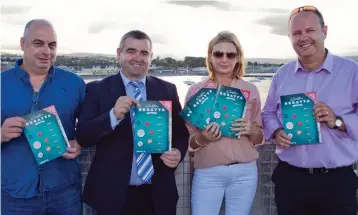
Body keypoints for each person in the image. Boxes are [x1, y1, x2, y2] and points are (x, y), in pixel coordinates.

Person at [76, 30, 189, 215]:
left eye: (144, 53)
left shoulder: (167, 90)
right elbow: (82, 135)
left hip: (158, 195)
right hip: (113, 197)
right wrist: (112, 116)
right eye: (131, 51)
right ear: (119, 53)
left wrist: (177, 151)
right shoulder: (98, 89)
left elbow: (180, 132)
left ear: (151, 57)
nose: (138, 57)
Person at [262, 5, 358, 215]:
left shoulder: (352, 72)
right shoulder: (282, 75)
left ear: (324, 31)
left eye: (310, 30)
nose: (303, 38)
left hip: (336, 183)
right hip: (290, 181)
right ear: (290, 37)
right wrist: (277, 132)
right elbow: (268, 113)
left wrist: (338, 121)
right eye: (296, 33)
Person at [1, 19, 85, 215]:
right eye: (38, 43)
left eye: (52, 45)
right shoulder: (1, 84)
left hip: (65, 192)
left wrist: (80, 141)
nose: (46, 51)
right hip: (15, 194)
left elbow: (88, 124)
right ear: (23, 44)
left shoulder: (74, 84)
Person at [184, 31, 265, 215]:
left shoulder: (250, 90)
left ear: (238, 58)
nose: (224, 59)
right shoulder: (196, 92)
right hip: (208, 173)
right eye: (218, 53)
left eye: (231, 54)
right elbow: (188, 141)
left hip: (245, 172)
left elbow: (259, 136)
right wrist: (203, 138)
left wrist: (251, 129)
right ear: (210, 57)